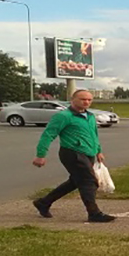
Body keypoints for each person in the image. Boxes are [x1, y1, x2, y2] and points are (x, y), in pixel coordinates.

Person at [31, 89, 114, 222]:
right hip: (72, 153)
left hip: (89, 153)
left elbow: (94, 135)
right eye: (83, 99)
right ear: (73, 100)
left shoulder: (90, 116)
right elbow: (48, 134)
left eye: (89, 100)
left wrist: (98, 151)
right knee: (89, 181)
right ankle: (94, 213)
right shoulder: (64, 116)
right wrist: (41, 154)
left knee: (75, 182)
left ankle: (43, 202)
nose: (86, 102)